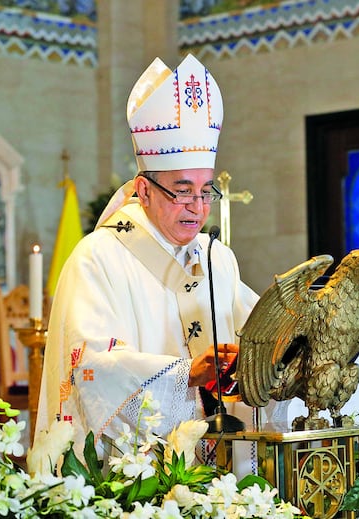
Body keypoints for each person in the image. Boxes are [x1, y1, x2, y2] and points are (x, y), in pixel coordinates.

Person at [36, 55, 271, 469]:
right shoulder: (97, 258)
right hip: (134, 475)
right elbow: (88, 368)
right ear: (144, 191)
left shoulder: (217, 257)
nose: (197, 207)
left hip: (220, 468)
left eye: (206, 191)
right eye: (182, 191)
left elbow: (263, 329)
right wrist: (186, 374)